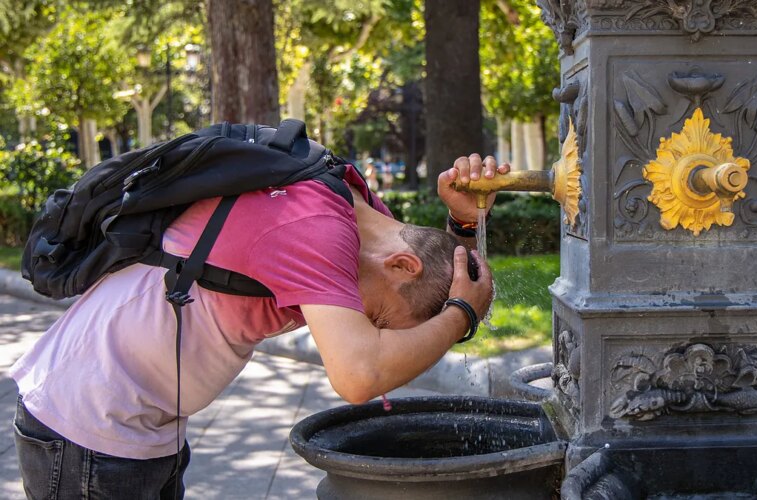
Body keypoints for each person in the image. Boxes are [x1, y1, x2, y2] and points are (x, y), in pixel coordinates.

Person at [10, 153, 510, 499]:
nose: (369, 329)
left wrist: (462, 226)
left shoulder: (357, 215)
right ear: (401, 266)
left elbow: (429, 276)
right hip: (88, 428)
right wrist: (459, 317)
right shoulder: (315, 229)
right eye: (380, 322)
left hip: (141, 425)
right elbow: (359, 375)